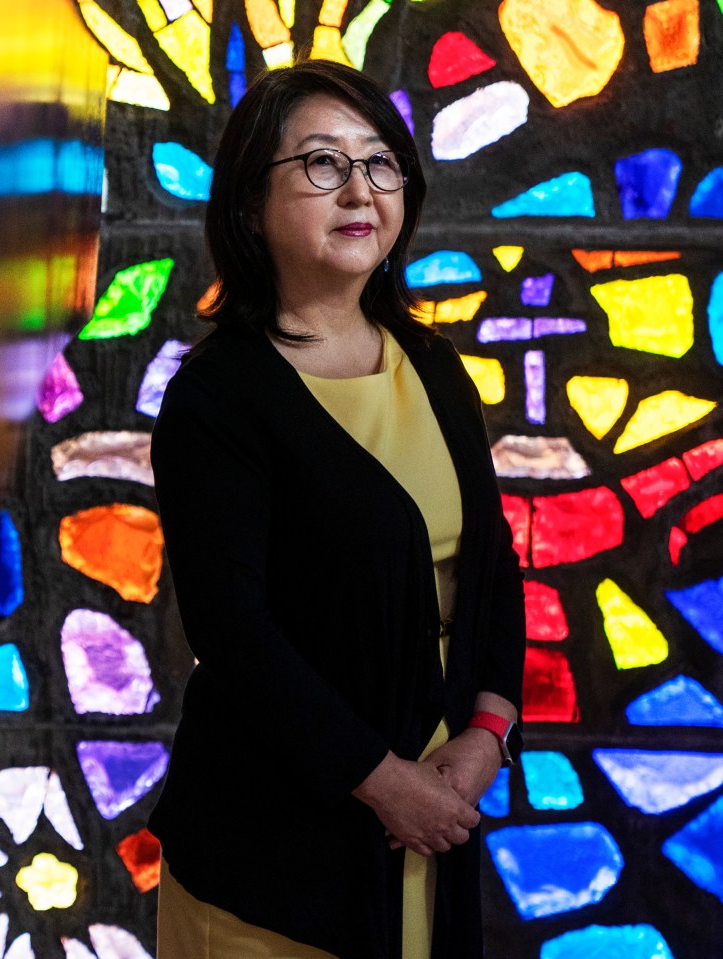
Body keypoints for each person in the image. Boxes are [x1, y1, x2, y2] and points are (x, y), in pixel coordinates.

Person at [147, 60, 525, 959]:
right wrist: (381, 781)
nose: (360, 188)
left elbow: (491, 567)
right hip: (275, 846)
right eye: (322, 163)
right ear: (248, 205)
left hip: (435, 810)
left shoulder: (432, 366)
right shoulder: (219, 396)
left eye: (379, 162)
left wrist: (488, 731)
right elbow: (232, 630)